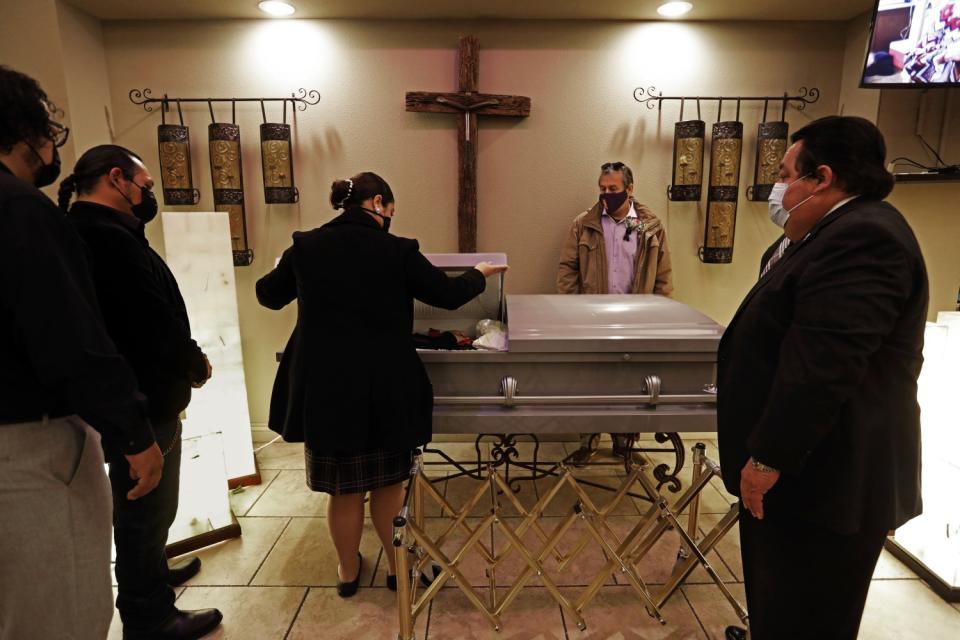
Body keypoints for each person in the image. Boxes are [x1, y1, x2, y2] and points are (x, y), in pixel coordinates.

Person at [717, 116, 927, 640]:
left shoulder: (864, 238)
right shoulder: (819, 235)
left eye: (786, 173)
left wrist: (767, 458)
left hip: (825, 480)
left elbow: (821, 367)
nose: (778, 187)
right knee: (778, 606)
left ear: (822, 178)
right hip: (806, 474)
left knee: (808, 617)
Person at [256, 172, 507, 597]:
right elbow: (448, 295)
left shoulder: (305, 245)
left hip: (327, 389)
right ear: (379, 203)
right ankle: (396, 569)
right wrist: (479, 273)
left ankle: (348, 570)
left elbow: (268, 295)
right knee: (389, 486)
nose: (391, 217)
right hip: (385, 386)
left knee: (344, 489)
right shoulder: (398, 250)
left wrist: (286, 264)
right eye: (391, 210)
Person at [0, 66, 163, 640]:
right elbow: (73, 335)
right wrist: (133, 429)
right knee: (57, 611)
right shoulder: (22, 210)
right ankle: (148, 605)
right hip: (26, 442)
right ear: (22, 128)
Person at [60, 145, 222, 640]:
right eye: (146, 186)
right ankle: (149, 612)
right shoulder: (106, 240)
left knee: (150, 510)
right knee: (143, 508)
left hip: (134, 394)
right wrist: (192, 366)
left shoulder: (92, 231)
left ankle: (151, 572)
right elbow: (149, 322)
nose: (149, 195)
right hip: (141, 398)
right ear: (116, 179)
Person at [557, 161, 673, 465]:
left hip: (636, 319)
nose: (607, 195)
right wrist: (573, 309)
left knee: (630, 380)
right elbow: (568, 268)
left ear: (630, 189)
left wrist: (659, 315)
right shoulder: (584, 224)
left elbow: (662, 275)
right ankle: (588, 440)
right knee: (590, 380)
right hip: (591, 318)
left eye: (614, 189)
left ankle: (625, 442)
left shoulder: (648, 226)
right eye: (603, 189)